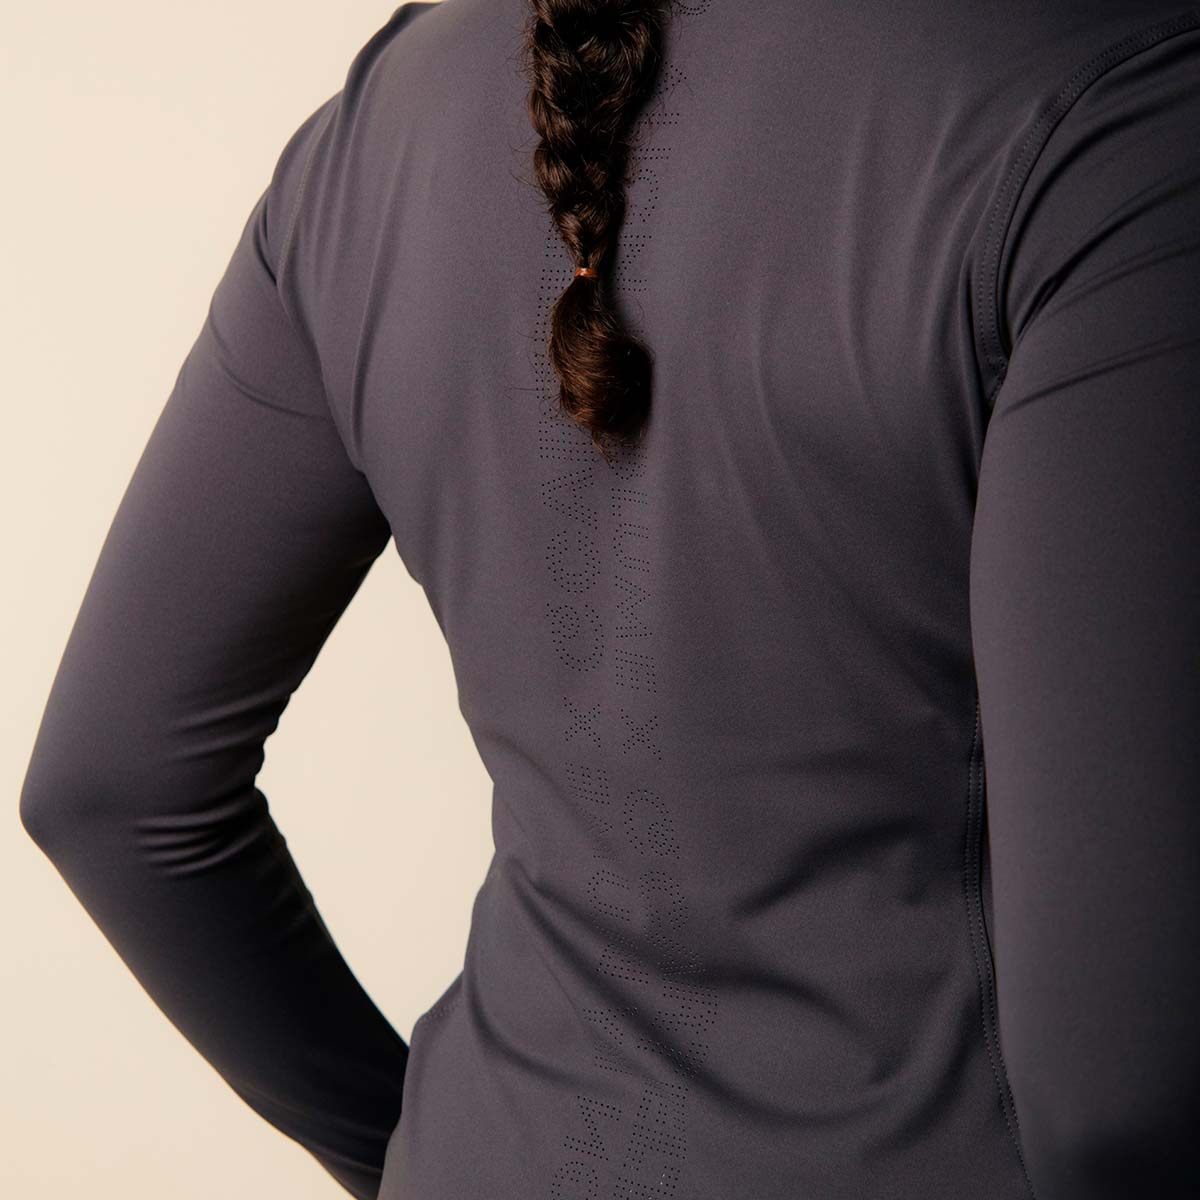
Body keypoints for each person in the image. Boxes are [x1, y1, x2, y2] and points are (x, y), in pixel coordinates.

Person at [18, 0, 1200, 1197]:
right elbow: (1122, 1099)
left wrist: (419, 1159)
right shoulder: (1116, 114)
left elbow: (110, 789)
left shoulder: (385, 123)